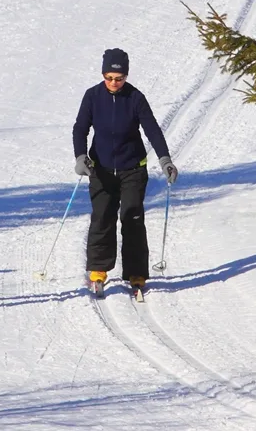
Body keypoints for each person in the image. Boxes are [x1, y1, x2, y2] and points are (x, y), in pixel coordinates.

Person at [72, 47, 177, 295]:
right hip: (101, 169)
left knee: (132, 218)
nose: (114, 83)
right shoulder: (92, 96)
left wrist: (165, 160)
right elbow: (80, 128)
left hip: (132, 169)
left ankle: (136, 273)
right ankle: (98, 271)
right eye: (109, 77)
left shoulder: (135, 98)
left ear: (126, 76)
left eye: (119, 78)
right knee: (102, 216)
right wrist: (80, 156)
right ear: (103, 74)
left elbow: (152, 130)